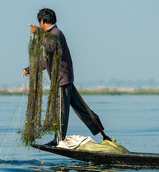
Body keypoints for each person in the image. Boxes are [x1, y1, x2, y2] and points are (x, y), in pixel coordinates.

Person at [22, 8, 105, 146]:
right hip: (65, 78)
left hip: (61, 79)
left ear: (42, 22)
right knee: (81, 108)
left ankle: (58, 140)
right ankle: (100, 130)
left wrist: (38, 34)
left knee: (61, 111)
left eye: (40, 23)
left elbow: (51, 47)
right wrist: (30, 69)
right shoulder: (51, 34)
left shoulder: (55, 33)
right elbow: (46, 60)